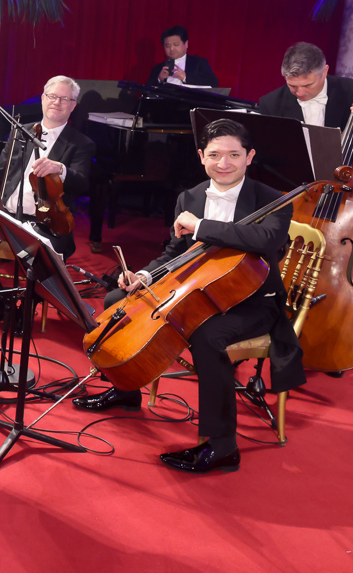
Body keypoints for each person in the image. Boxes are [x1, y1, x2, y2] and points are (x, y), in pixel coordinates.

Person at [72, 118, 305, 474]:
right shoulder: (191, 196)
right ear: (201, 156)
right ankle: (125, 388)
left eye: (234, 155)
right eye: (214, 155)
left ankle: (222, 446)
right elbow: (174, 252)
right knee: (116, 300)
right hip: (199, 290)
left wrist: (202, 227)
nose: (223, 163)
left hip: (253, 302)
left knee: (207, 335)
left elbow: (267, 240)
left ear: (249, 157)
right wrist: (144, 275)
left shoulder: (271, 199)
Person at [0, 76, 96, 330]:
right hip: (5, 216)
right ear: (42, 99)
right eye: (52, 96)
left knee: (45, 256)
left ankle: (25, 311)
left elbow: (83, 183)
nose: (57, 102)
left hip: (47, 224)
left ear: (73, 105)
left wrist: (60, 169)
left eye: (65, 98)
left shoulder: (81, 143)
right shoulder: (21, 132)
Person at [257, 42, 353, 167]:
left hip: (350, 181)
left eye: (307, 85)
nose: (300, 93)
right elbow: (268, 159)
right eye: (292, 86)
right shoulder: (270, 104)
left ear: (324, 72)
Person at [147, 26, 218, 87]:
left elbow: (213, 83)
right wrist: (159, 79)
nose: (171, 49)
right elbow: (146, 90)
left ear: (186, 44)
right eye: (167, 46)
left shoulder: (199, 63)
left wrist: (185, 77)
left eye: (176, 44)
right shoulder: (158, 68)